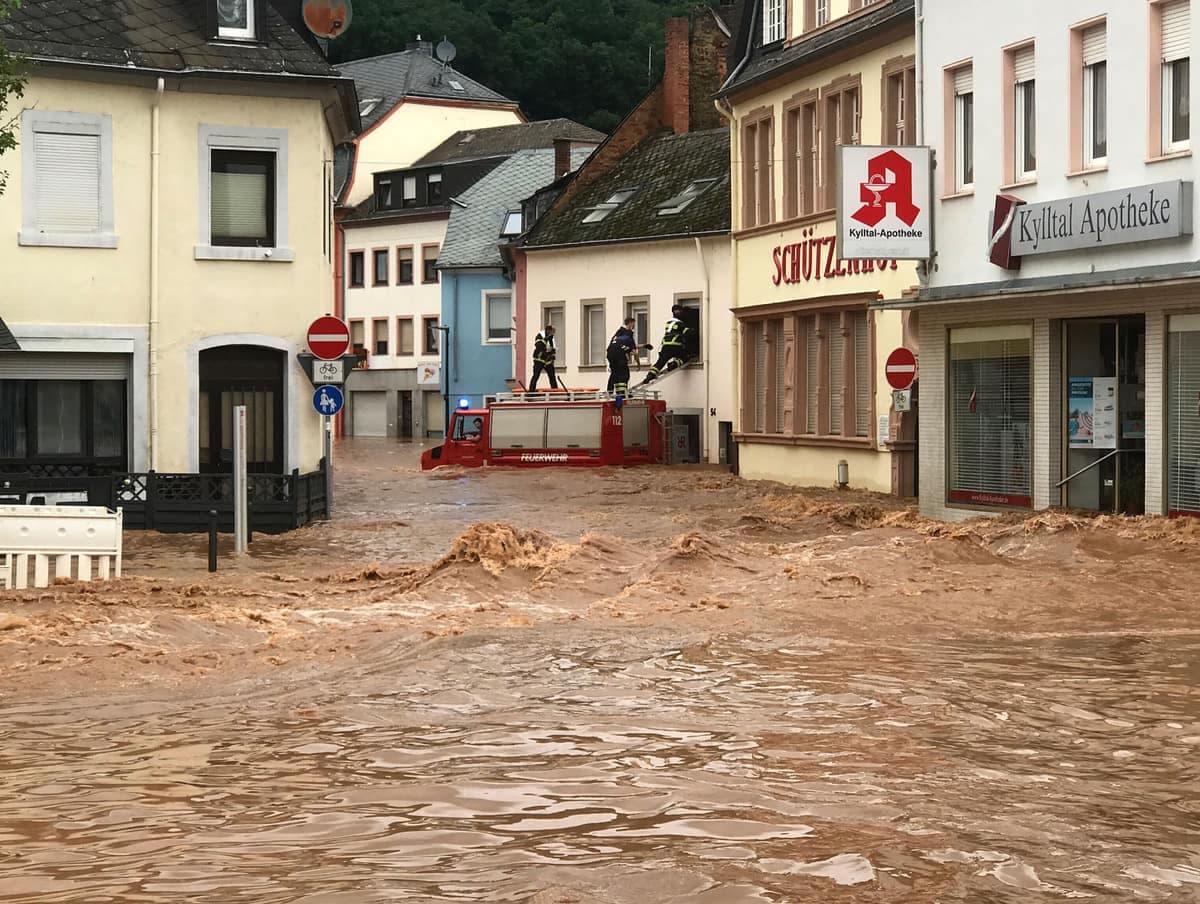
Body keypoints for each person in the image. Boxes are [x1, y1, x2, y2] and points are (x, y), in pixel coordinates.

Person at [639, 305, 692, 386]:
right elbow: (687, 333)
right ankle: (673, 364)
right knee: (685, 357)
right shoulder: (680, 324)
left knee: (660, 362)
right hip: (676, 346)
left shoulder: (668, 323)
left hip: (665, 346)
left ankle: (650, 375)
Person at [606, 317, 652, 396]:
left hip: (610, 354)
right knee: (624, 374)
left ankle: (610, 391)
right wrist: (638, 364)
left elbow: (626, 345)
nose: (634, 326)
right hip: (619, 355)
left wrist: (643, 346)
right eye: (634, 323)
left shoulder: (619, 333)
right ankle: (622, 393)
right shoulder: (628, 334)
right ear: (630, 323)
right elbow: (634, 352)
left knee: (615, 373)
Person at [529, 323, 559, 391]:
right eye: (552, 331)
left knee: (552, 376)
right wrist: (546, 353)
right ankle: (531, 391)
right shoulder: (540, 336)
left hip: (548, 360)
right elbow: (539, 346)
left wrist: (552, 356)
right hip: (539, 359)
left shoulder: (551, 338)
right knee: (536, 375)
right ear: (548, 330)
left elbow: (553, 348)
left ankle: (555, 391)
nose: (553, 333)